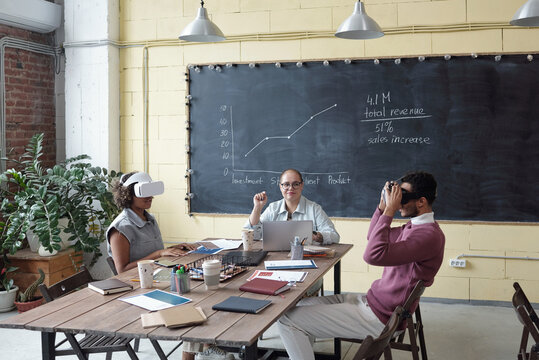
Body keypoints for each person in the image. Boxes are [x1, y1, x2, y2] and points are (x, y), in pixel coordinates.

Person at [277, 171, 445, 360]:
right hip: (373, 302)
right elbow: (373, 237)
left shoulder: (427, 236)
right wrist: (382, 207)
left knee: (287, 320)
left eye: (402, 196)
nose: (398, 203)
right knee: (292, 308)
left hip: (380, 318)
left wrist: (390, 211)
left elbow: (372, 255)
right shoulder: (415, 227)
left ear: (421, 202)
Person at [107, 172, 197, 274]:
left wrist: (171, 250)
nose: (150, 196)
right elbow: (122, 270)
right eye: (143, 191)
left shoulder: (150, 219)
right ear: (128, 194)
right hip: (137, 281)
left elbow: (152, 254)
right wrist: (160, 253)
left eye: (151, 190)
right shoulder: (120, 229)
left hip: (157, 273)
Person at [244, 168, 340, 245]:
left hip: (306, 259)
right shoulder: (273, 208)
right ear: (280, 187)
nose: (291, 188)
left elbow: (335, 236)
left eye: (295, 184)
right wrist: (257, 208)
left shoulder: (314, 209)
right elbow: (252, 235)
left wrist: (315, 236)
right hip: (276, 259)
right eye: (286, 184)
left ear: (301, 185)